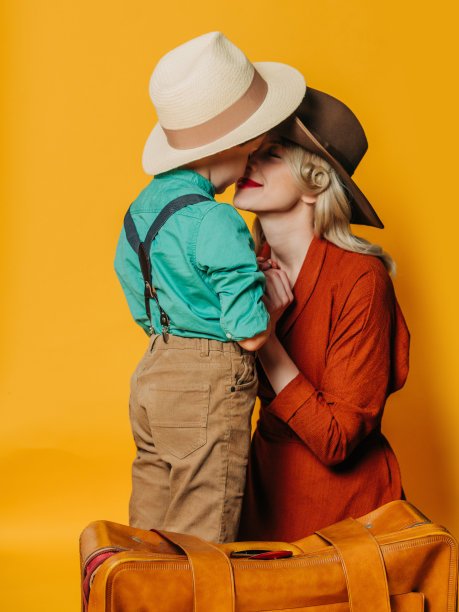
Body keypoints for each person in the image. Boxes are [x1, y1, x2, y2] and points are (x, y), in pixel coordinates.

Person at [114, 32, 305, 543]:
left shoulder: (138, 212)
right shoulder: (216, 220)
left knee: (151, 533)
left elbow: (134, 285)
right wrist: (261, 316)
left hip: (154, 369)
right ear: (233, 146)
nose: (252, 164)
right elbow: (247, 332)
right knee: (204, 534)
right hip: (206, 379)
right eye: (255, 149)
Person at [234, 88, 410, 541]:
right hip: (260, 504)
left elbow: (336, 440)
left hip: (345, 522)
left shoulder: (361, 279)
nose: (247, 164)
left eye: (270, 155)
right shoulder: (239, 269)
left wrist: (265, 338)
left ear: (314, 183)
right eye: (248, 153)